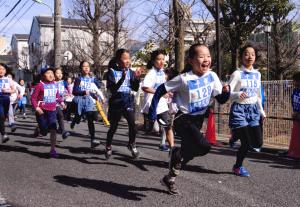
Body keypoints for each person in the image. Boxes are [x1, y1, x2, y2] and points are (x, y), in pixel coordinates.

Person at [148, 44, 230, 195]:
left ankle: (169, 178)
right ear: (190, 61)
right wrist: (152, 112)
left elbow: (221, 99)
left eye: (208, 56)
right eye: (201, 57)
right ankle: (177, 153)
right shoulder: (183, 79)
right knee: (204, 146)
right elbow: (160, 89)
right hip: (182, 119)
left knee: (188, 153)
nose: (206, 60)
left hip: (198, 120)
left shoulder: (212, 76)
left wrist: (227, 92)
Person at [228, 43, 266, 177]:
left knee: (258, 143)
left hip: (253, 109)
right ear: (241, 57)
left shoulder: (258, 74)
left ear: (255, 57)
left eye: (252, 54)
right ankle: (237, 167)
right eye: (246, 54)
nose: (249, 57)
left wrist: (261, 111)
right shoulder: (237, 74)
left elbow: (258, 95)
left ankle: (235, 135)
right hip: (239, 109)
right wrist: (237, 94)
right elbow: (228, 94)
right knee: (247, 143)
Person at [105, 49, 143, 160]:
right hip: (116, 101)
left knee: (133, 124)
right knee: (114, 127)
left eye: (129, 58)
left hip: (128, 100)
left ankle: (131, 144)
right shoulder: (111, 72)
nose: (127, 61)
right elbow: (113, 89)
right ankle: (108, 145)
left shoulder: (131, 72)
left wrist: (137, 78)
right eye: (124, 59)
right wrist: (122, 78)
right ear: (118, 60)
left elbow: (135, 88)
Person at [142, 50, 174, 151]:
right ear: (153, 61)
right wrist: (159, 92)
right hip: (152, 105)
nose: (161, 62)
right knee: (154, 129)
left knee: (167, 126)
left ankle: (165, 145)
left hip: (162, 105)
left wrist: (168, 93)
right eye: (158, 59)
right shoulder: (151, 73)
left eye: (163, 59)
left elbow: (163, 88)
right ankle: (138, 129)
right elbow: (145, 87)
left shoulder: (162, 73)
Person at [31, 67, 65, 157]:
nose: (51, 75)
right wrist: (37, 108)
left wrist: (61, 102)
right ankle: (39, 129)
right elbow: (33, 98)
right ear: (43, 75)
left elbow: (57, 96)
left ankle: (53, 150)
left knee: (53, 130)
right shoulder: (40, 85)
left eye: (52, 73)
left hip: (52, 111)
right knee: (44, 132)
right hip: (42, 112)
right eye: (48, 73)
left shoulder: (54, 84)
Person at [72, 61, 104, 148]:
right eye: (84, 66)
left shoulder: (92, 79)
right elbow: (74, 91)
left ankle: (93, 139)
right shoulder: (78, 79)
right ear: (80, 68)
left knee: (90, 119)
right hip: (80, 101)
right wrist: (83, 92)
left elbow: (96, 89)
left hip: (89, 102)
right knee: (78, 118)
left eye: (87, 66)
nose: (86, 68)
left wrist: (97, 97)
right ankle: (75, 119)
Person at [55, 68, 70, 139]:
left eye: (61, 73)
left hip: (61, 102)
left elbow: (65, 90)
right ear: (54, 74)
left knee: (61, 116)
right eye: (57, 73)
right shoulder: (52, 82)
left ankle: (62, 130)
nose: (60, 74)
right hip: (53, 102)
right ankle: (39, 128)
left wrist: (67, 94)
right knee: (57, 116)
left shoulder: (63, 82)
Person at [287, 72, 300, 159]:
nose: (293, 82)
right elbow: (293, 101)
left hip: (298, 115)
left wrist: (298, 112)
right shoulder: (295, 90)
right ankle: (293, 151)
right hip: (296, 115)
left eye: (295, 80)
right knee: (296, 134)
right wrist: (295, 112)